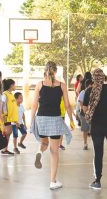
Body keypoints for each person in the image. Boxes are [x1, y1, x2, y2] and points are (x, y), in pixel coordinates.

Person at [31, 61, 75, 190]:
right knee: (54, 152)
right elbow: (67, 105)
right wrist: (71, 120)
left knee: (44, 143)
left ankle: (39, 151)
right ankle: (53, 181)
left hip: (41, 118)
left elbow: (34, 105)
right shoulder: (61, 85)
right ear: (55, 72)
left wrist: (32, 120)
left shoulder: (40, 84)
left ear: (45, 71)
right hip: (55, 119)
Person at [1, 79, 18, 155]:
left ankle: (5, 149)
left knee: (8, 133)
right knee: (7, 133)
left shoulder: (11, 94)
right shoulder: (5, 94)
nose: (15, 86)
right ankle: (4, 149)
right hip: (5, 117)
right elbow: (2, 105)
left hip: (9, 118)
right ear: (11, 85)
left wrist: (15, 120)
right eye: (14, 84)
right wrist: (3, 116)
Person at [78, 79, 93, 150]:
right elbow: (81, 103)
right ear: (90, 85)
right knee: (85, 129)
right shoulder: (83, 92)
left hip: (93, 114)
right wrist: (86, 112)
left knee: (93, 129)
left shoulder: (94, 92)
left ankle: (94, 143)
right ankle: (85, 143)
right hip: (84, 114)